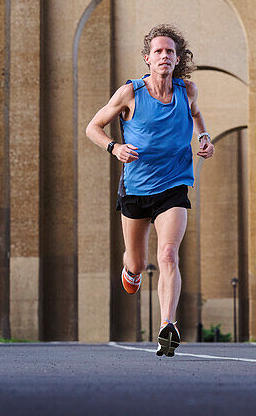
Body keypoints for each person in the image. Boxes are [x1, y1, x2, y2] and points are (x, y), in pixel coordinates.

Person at [85, 24, 214, 357]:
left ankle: (167, 325)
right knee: (138, 263)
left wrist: (203, 137)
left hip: (174, 184)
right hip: (136, 187)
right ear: (148, 59)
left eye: (170, 51)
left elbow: (197, 116)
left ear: (176, 58)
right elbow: (92, 127)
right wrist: (114, 147)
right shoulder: (130, 93)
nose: (164, 56)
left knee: (168, 254)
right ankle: (131, 270)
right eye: (158, 51)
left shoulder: (188, 91)